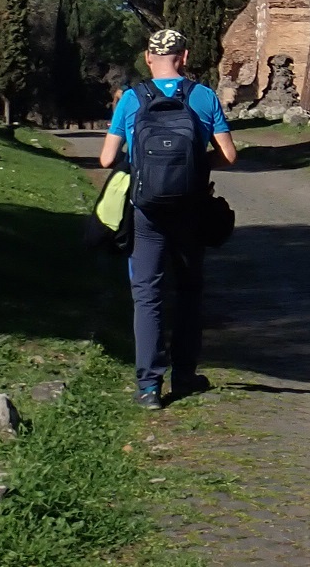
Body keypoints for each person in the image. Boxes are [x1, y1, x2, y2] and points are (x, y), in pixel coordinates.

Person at [99, 28, 238, 409]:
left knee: (147, 294)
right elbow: (229, 155)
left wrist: (143, 166)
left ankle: (149, 387)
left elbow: (107, 159)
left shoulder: (133, 98)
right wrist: (194, 166)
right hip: (190, 208)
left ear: (148, 58)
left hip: (146, 210)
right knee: (189, 290)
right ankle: (185, 374)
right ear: (185, 57)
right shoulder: (203, 96)